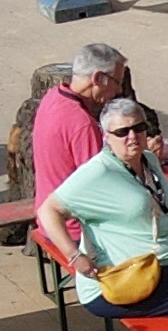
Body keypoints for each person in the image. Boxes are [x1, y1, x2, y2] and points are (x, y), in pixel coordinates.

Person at [42, 98, 168, 331]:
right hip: (125, 277)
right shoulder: (98, 172)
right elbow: (48, 210)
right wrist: (75, 256)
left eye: (139, 128)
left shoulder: (148, 159)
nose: (133, 136)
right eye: (122, 132)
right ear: (106, 136)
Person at [29, 43, 132, 209]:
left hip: (47, 208)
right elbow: (100, 182)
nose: (119, 90)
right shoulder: (82, 124)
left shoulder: (52, 96)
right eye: (117, 82)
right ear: (98, 79)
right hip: (74, 219)